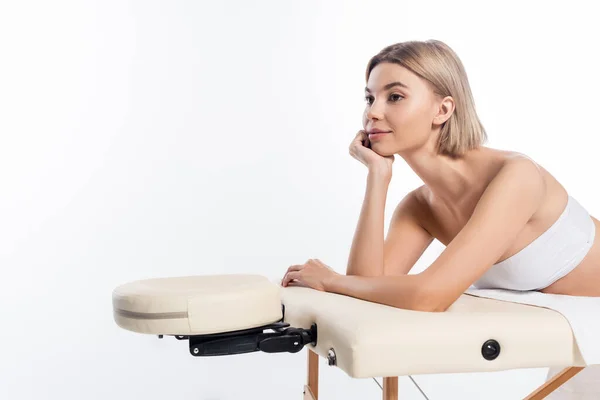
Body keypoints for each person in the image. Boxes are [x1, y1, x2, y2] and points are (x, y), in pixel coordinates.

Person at [280, 39, 600, 397]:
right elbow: (365, 286)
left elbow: (430, 296)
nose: (372, 112)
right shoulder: (420, 207)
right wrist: (378, 178)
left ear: (443, 109)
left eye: (394, 97)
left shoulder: (516, 177)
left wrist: (332, 280)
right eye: (369, 98)